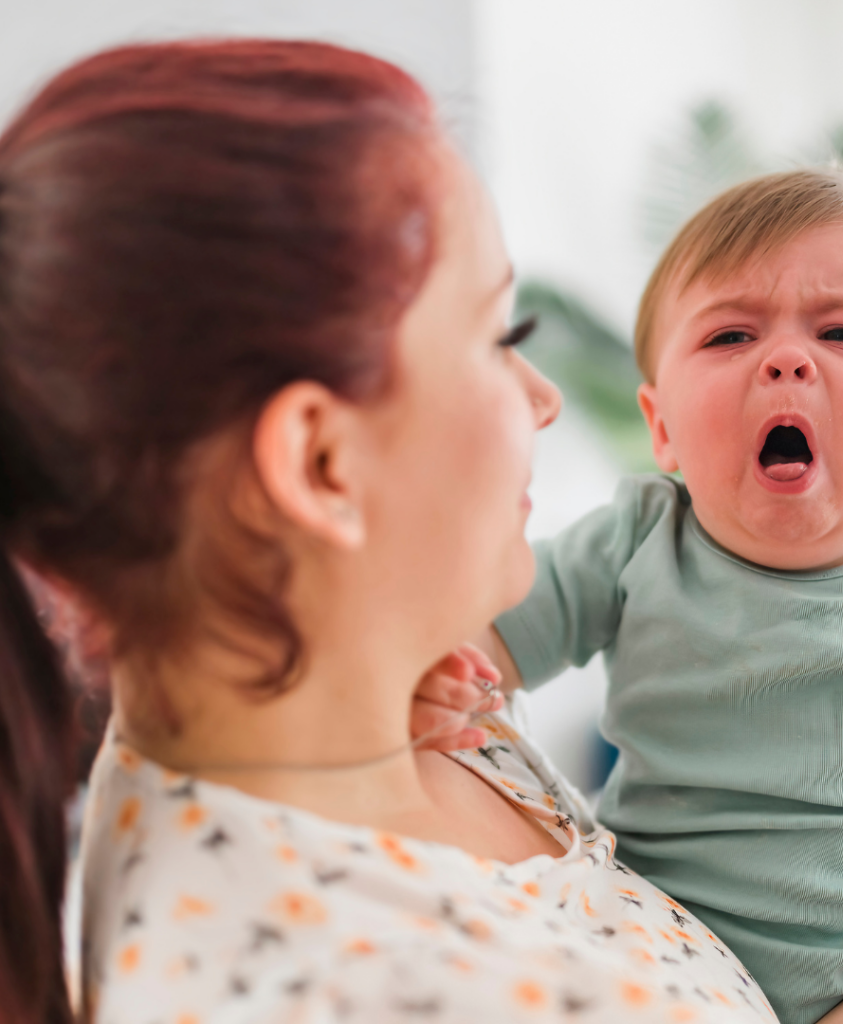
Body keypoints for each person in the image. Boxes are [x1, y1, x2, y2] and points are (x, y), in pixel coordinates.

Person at [0, 40, 779, 1024]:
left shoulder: (396, 708)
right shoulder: (301, 983)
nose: (541, 399)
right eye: (502, 337)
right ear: (321, 463)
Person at [440, 169, 843, 1023]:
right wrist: (441, 673)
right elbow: (487, 644)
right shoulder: (635, 541)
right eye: (729, 337)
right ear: (662, 426)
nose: (787, 359)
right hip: (662, 951)